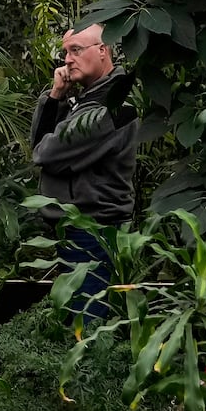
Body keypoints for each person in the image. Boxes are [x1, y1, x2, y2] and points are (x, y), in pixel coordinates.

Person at [30, 23, 138, 314]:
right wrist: (56, 96)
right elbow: (40, 145)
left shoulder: (114, 105)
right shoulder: (88, 98)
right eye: (65, 52)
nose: (67, 59)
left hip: (94, 231)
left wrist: (58, 107)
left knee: (88, 324)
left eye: (76, 50)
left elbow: (43, 152)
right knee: (75, 319)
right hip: (78, 230)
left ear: (103, 51)